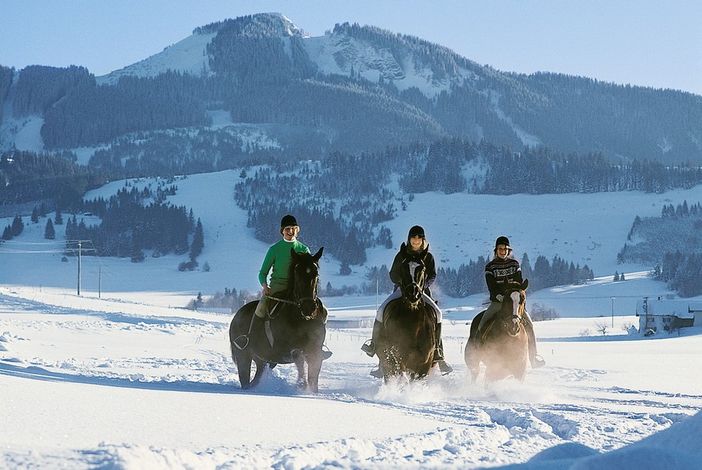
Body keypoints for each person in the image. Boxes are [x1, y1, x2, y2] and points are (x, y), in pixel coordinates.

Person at [361, 225, 452, 374]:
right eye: (413, 238)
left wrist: (423, 286)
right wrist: (403, 283)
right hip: (402, 291)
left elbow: (432, 275)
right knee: (381, 310)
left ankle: (437, 351)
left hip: (421, 291)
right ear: (409, 239)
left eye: (419, 238)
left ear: (423, 240)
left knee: (438, 313)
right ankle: (374, 346)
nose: (416, 240)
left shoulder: (428, 257)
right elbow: (393, 274)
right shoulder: (401, 255)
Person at [246, 214, 331, 359]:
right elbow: (262, 272)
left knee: (323, 312)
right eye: (287, 229)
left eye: (293, 228)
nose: (290, 231)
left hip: (299, 289)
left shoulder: (304, 249)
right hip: (277, 288)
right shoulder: (275, 249)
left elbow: (309, 270)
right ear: (282, 231)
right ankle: (249, 340)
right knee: (261, 308)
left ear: (297, 230)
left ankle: (317, 346)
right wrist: (265, 285)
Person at [478, 236, 545, 368]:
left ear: (508, 250)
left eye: (505, 249)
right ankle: (479, 352)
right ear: (496, 250)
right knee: (482, 324)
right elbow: (491, 286)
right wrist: (499, 297)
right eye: (500, 249)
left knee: (530, 325)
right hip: (498, 301)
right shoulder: (490, 267)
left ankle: (533, 357)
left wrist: (515, 298)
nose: (502, 251)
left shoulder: (514, 264)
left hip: (514, 302)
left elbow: (519, 283)